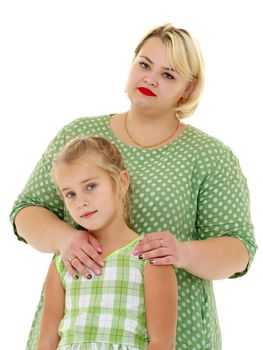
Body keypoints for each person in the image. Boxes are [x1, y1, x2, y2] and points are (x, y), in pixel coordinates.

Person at [10, 23, 257, 350]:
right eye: (144, 64)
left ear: (189, 88)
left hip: (177, 335)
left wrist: (183, 252)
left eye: (168, 75)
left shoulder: (209, 157)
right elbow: (26, 211)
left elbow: (239, 250)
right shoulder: (81, 135)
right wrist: (65, 238)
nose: (150, 79)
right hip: (78, 329)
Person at [36, 136, 178, 350]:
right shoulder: (63, 262)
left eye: (91, 186)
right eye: (70, 194)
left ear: (121, 181)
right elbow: (46, 344)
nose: (81, 201)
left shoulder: (149, 256)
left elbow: (162, 344)